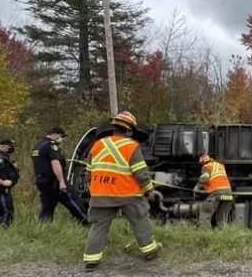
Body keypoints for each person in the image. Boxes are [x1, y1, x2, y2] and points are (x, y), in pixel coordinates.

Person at [83, 110, 162, 272]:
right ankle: (150, 252)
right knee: (140, 220)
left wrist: (94, 189)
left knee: (98, 226)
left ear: (114, 128)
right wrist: (149, 190)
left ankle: (91, 259)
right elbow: (141, 173)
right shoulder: (131, 146)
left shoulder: (98, 145)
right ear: (129, 130)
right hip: (127, 194)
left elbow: (88, 172)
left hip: (100, 194)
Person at [31, 127, 87, 223]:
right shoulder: (52, 146)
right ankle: (87, 223)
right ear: (55, 134)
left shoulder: (37, 146)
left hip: (43, 183)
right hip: (55, 183)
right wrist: (61, 182)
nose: (62, 139)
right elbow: (55, 163)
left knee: (47, 209)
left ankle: (43, 229)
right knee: (74, 203)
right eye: (61, 136)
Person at [195, 154, 233, 228]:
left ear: (203, 162)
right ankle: (223, 235)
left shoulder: (206, 166)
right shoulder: (220, 165)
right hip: (228, 194)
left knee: (205, 211)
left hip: (217, 192)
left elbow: (205, 178)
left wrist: (196, 188)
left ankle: (205, 233)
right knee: (222, 218)